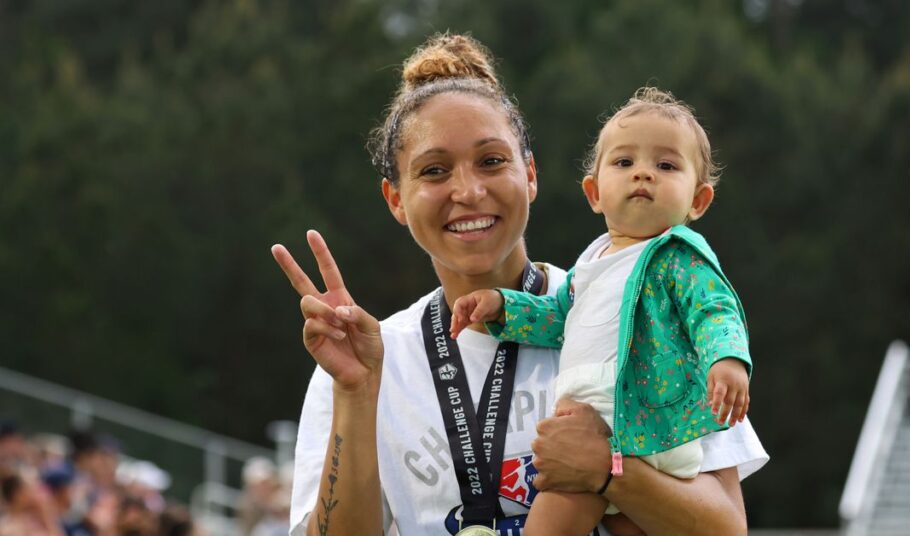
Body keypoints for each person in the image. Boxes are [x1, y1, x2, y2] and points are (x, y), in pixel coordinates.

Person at [277, 33, 767, 536]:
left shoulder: (638, 309)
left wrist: (608, 472)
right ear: (396, 199)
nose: (468, 191)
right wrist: (358, 394)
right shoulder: (366, 362)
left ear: (530, 174)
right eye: (434, 171)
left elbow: (726, 528)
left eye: (492, 161)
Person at [449, 87, 751, 534]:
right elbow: (558, 318)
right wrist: (502, 308)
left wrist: (727, 359)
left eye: (666, 166)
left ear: (698, 201)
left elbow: (714, 310)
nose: (643, 174)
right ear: (594, 193)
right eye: (624, 162)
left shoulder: (678, 255)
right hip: (598, 422)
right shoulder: (592, 261)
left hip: (640, 421)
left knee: (555, 514)